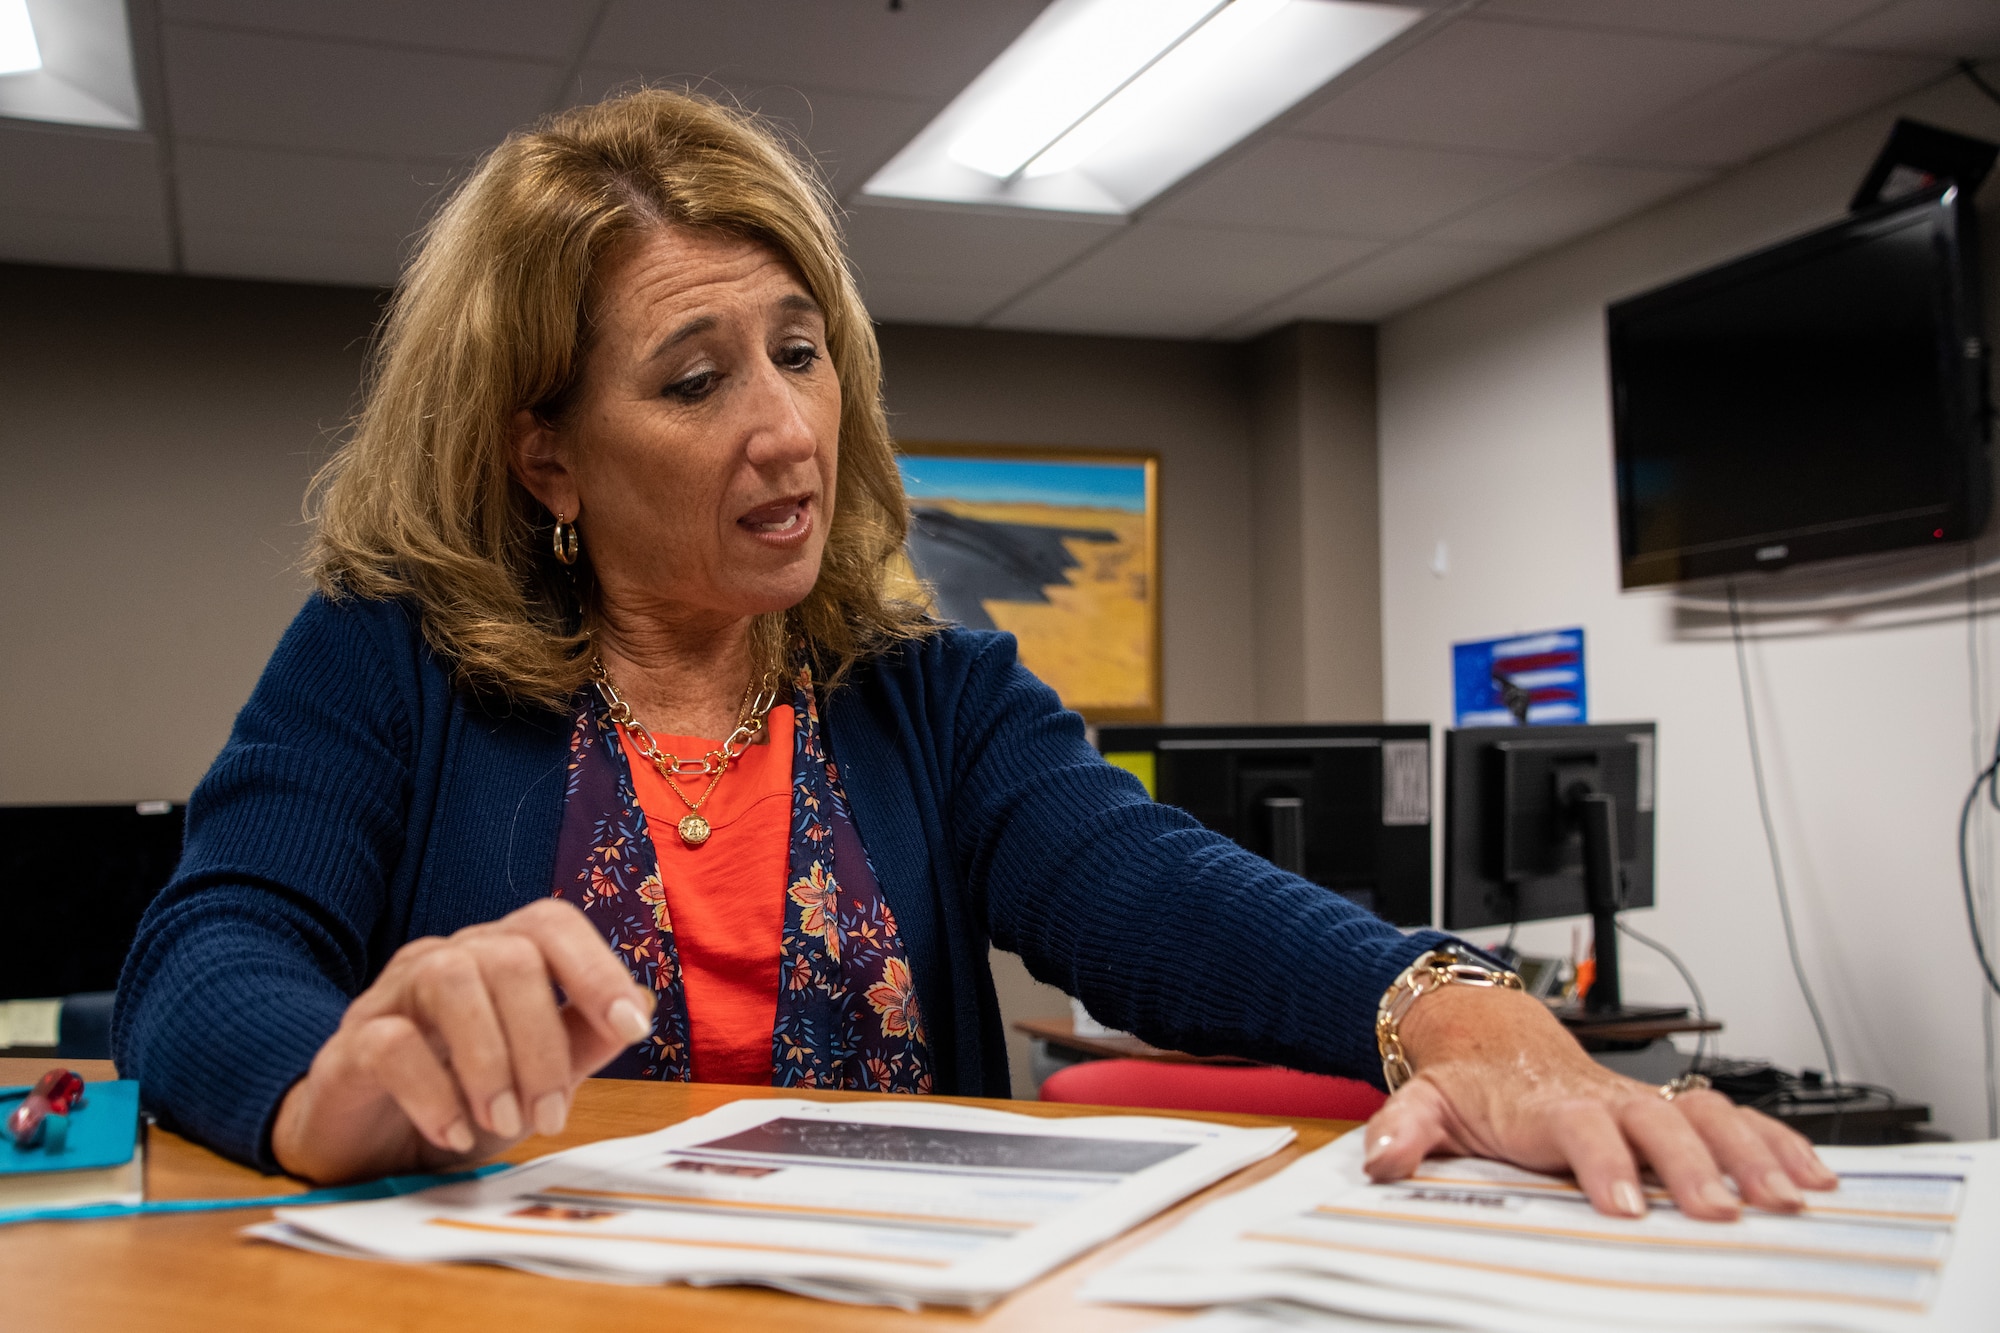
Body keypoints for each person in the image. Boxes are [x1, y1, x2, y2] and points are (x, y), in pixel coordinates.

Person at [114, 89, 1834, 1221]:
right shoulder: (387, 658)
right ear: (544, 452)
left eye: (802, 349)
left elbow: (1142, 880)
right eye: (697, 378)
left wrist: (1452, 1003)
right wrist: (326, 1085)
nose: (788, 427)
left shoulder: (926, 692)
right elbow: (207, 951)